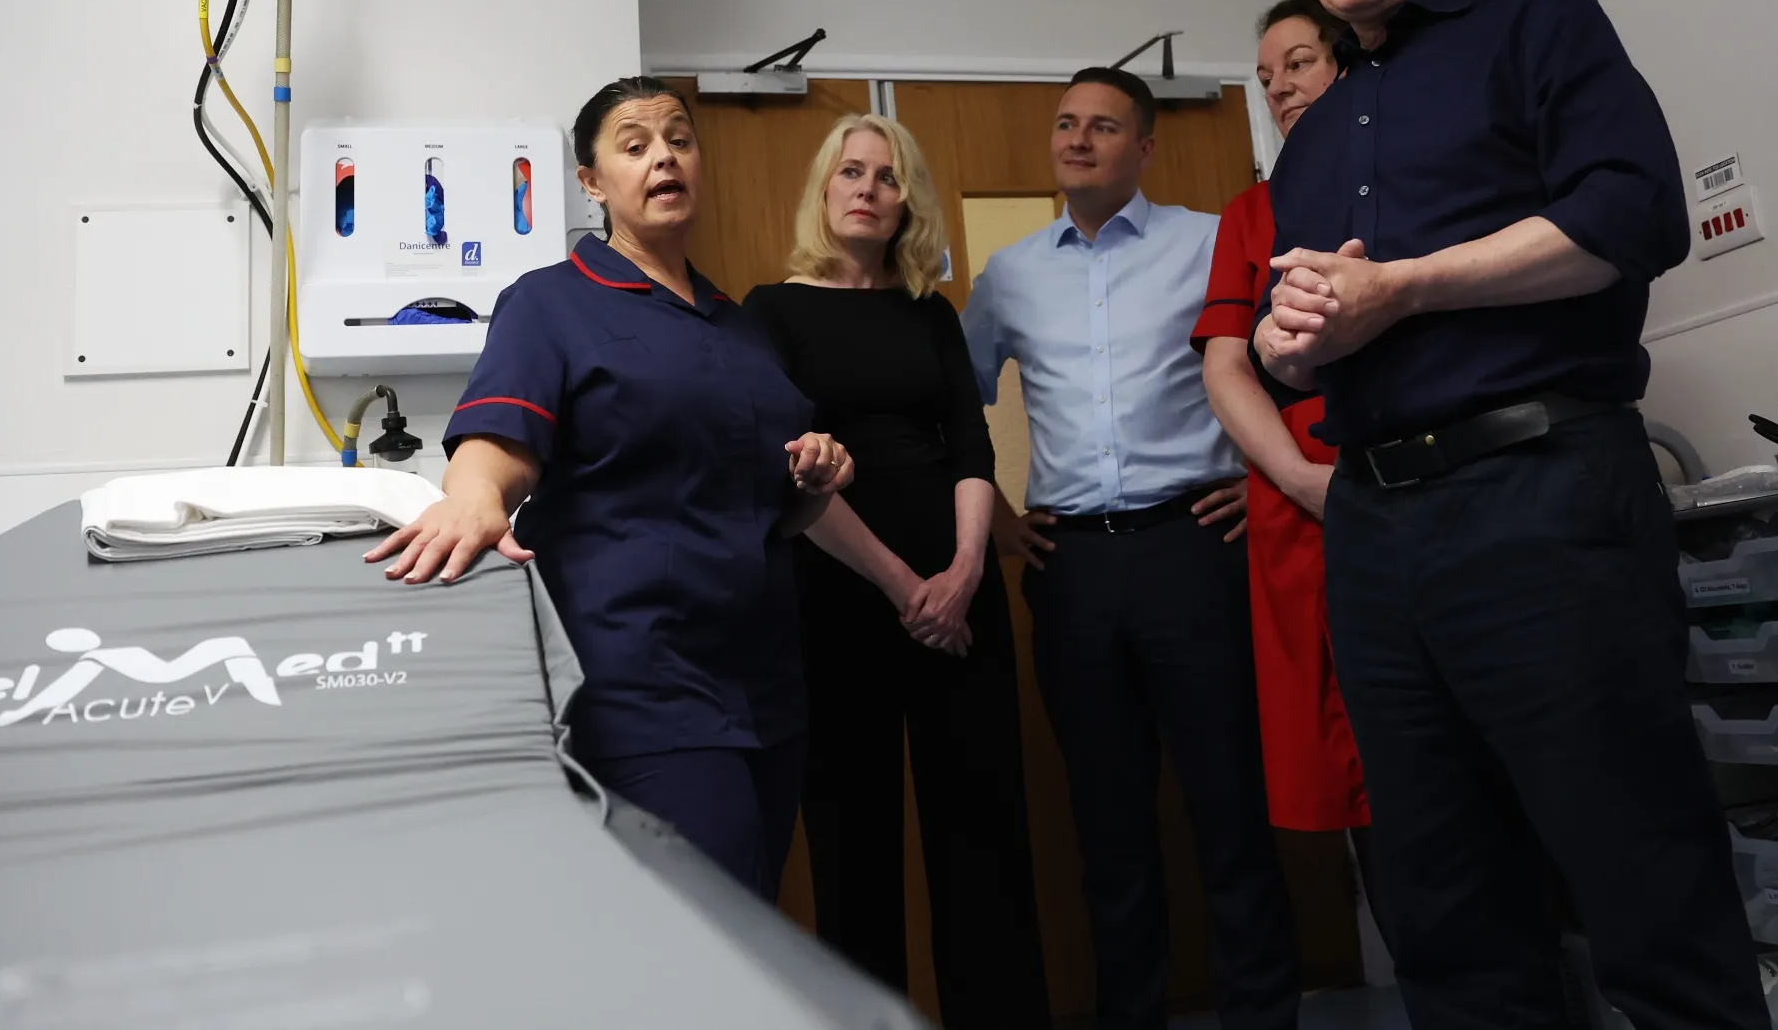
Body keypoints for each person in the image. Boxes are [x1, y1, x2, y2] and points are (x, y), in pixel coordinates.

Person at [1253, 0, 1765, 1028]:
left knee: (1638, 879)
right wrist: (1285, 349)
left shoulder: (1540, 30)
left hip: (1539, 498)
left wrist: (1403, 286)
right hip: (1376, 533)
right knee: (1443, 914)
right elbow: (1319, 341)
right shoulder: (1308, 148)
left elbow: (1630, 221)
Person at [366, 77, 910, 902]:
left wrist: (815, 476)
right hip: (642, 681)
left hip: (766, 682)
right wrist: (474, 493)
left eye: (680, 139)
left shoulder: (739, 326)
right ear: (593, 182)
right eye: (635, 144)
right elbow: (498, 445)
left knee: (757, 918)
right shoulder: (550, 302)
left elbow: (779, 512)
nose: (665, 155)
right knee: (707, 932)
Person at [965, 66, 1298, 1030]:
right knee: (1107, 823)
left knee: (1230, 806)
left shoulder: (1209, 241)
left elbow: (1285, 363)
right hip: (1074, 572)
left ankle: (1263, 1016)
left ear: (1144, 147)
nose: (1078, 139)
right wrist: (991, 506)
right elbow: (946, 406)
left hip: (1196, 551)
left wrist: (1267, 476)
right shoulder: (1011, 273)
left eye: (1103, 125)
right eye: (1066, 123)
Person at [743, 115, 1050, 1029]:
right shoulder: (772, 310)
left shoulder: (929, 313)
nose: (869, 188)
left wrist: (959, 573)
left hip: (960, 598)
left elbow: (968, 441)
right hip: (838, 596)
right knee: (853, 839)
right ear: (824, 191)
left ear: (905, 197)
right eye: (851, 172)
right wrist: (901, 586)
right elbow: (787, 463)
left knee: (985, 827)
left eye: (887, 174)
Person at [1193, 0, 1380, 925]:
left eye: (1297, 63)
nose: (1277, 88)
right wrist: (1297, 477)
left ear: (1347, 62)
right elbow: (1227, 363)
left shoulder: (1405, 178)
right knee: (1348, 768)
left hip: (1407, 467)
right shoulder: (1248, 214)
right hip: (1298, 487)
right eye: (1264, 78)